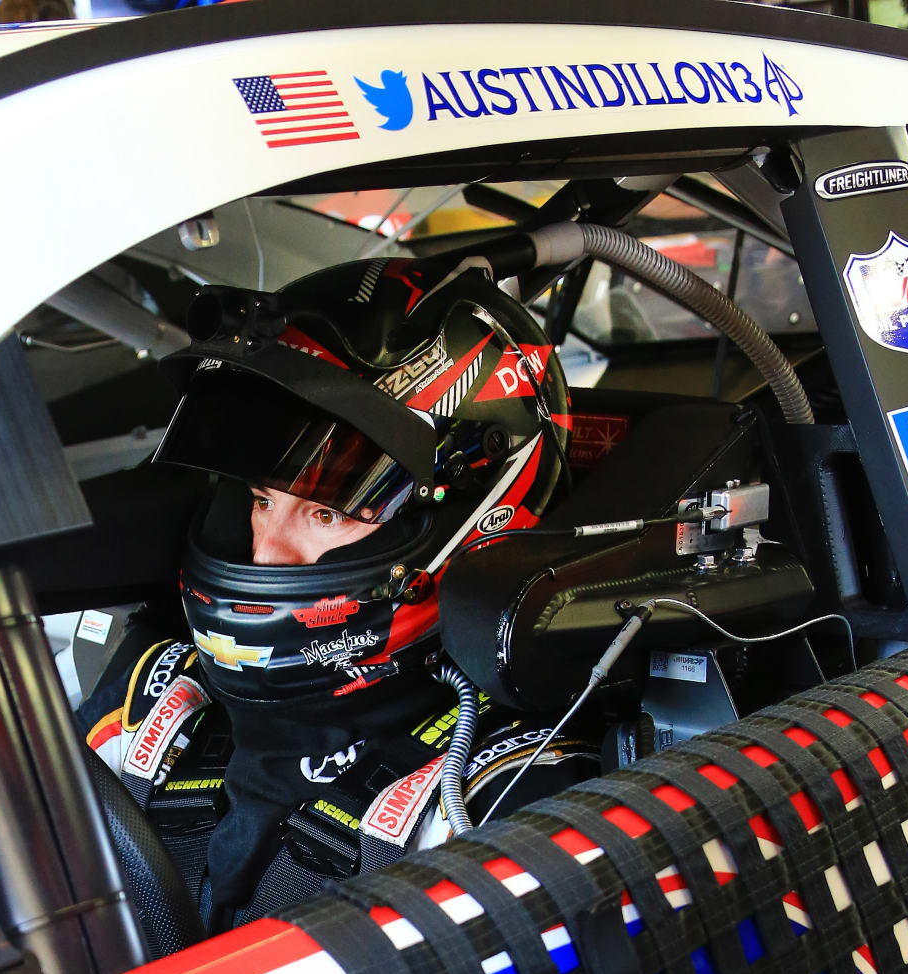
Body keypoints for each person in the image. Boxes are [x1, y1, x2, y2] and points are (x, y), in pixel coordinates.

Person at [79, 251, 595, 931]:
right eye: (261, 500)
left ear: (466, 521)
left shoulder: (493, 795)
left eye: (326, 514)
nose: (266, 552)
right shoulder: (154, 699)